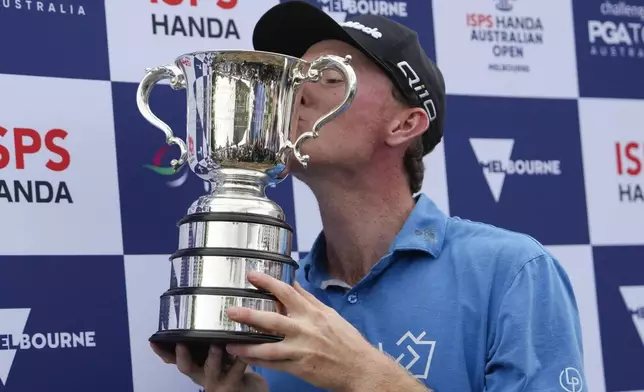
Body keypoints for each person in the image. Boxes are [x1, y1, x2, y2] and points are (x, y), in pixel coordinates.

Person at [152, 1, 587, 391]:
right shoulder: (275, 294)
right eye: (295, 75)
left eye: (328, 76)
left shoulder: (512, 272)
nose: (294, 91)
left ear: (404, 125)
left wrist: (365, 376)